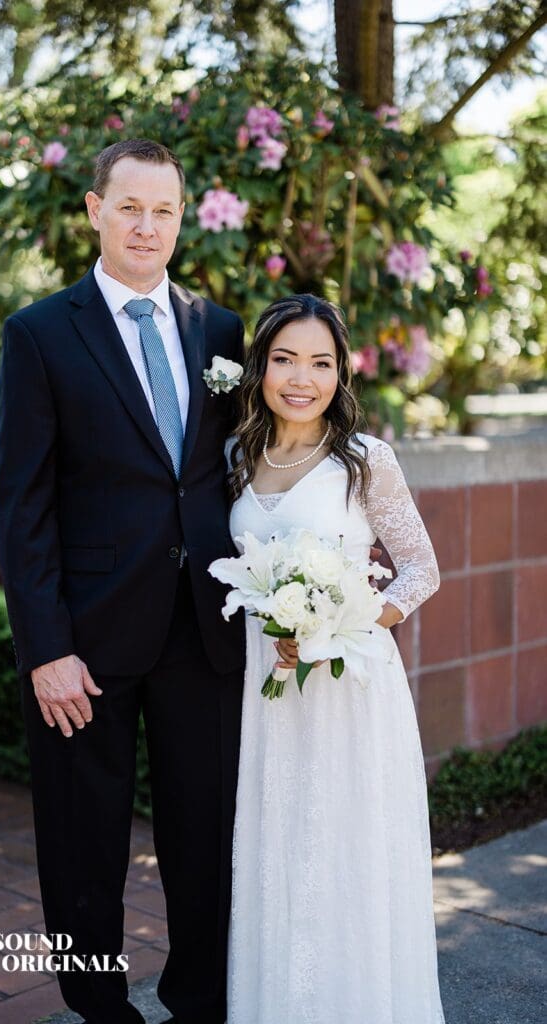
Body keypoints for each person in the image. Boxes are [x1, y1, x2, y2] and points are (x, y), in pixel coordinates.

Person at [0, 138, 245, 1024]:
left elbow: (227, 472)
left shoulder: (219, 330)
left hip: (205, 630)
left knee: (205, 835)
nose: (147, 225)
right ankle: (99, 1009)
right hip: (86, 641)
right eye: (129, 207)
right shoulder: (38, 334)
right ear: (95, 210)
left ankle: (198, 999)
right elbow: (20, 508)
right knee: (80, 841)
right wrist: (45, 649)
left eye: (164, 210)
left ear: (182, 218)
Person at [225, 294, 445, 1024]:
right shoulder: (236, 455)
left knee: (347, 855)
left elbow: (419, 568)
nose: (301, 377)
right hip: (270, 686)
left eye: (320, 362)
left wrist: (347, 619)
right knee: (278, 857)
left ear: (339, 374)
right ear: (260, 366)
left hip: (349, 685)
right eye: (284, 358)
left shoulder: (363, 460)